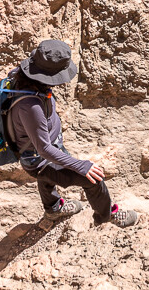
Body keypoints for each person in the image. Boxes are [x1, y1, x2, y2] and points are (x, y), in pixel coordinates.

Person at [7, 40, 138, 228]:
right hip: (41, 158)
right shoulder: (30, 106)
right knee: (92, 179)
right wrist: (81, 166)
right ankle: (106, 217)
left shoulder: (22, 77)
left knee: (46, 176)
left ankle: (53, 208)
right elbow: (44, 149)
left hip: (36, 155)